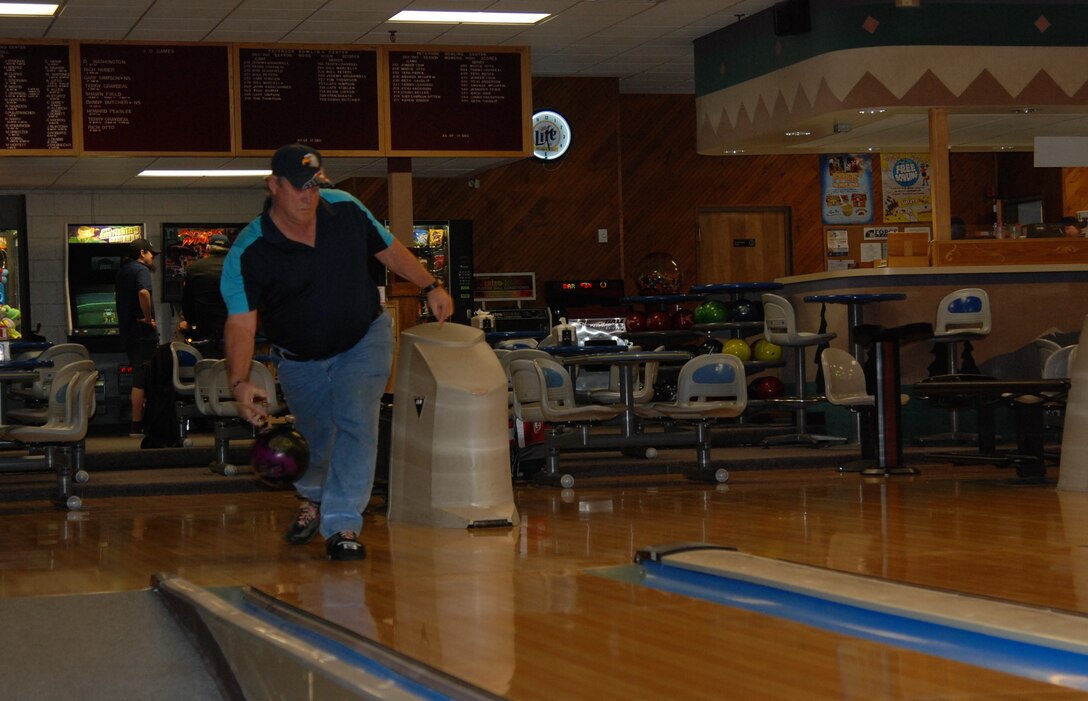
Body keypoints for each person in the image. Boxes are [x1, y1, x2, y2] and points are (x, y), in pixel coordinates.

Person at [220, 144, 454, 562]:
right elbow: (241, 323)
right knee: (317, 439)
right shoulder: (249, 251)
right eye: (299, 188)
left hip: (363, 340)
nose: (309, 197)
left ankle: (343, 523)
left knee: (356, 423)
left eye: (314, 186)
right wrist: (239, 382)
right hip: (298, 359)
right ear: (274, 186)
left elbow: (389, 248)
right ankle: (312, 498)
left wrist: (430, 285)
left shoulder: (344, 209)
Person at [114, 238, 161, 437]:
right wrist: (149, 318)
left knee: (139, 374)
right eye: (151, 253)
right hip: (143, 333)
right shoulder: (141, 270)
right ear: (142, 253)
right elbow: (143, 292)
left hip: (127, 331)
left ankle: (140, 422)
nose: (152, 258)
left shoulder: (122, 270)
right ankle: (137, 424)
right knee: (142, 378)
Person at [180, 233, 231, 353]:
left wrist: (191, 322)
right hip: (233, 327)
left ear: (208, 248)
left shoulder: (195, 268)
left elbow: (187, 301)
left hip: (204, 328)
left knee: (204, 367)